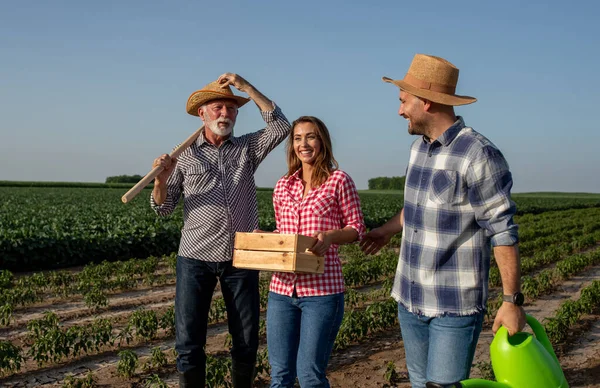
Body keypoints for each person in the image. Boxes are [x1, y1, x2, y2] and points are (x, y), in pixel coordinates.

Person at [359, 54, 526, 387]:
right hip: (409, 297)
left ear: (427, 102)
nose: (400, 110)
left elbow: (503, 233)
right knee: (420, 382)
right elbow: (417, 210)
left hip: (453, 305)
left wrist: (511, 301)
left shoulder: (479, 154)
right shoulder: (418, 149)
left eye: (403, 101)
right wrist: (386, 230)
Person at [151, 73, 291, 388]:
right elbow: (163, 207)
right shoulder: (183, 157)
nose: (224, 114)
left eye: (230, 108)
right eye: (217, 108)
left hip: (240, 256)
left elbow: (280, 126)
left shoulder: (246, 148)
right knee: (189, 340)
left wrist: (248, 88)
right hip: (195, 258)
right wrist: (161, 179)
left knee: (245, 336)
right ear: (202, 113)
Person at [266, 116, 366, 387]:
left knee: (310, 376)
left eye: (310, 136)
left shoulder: (338, 180)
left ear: (322, 141)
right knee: (280, 376)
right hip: (282, 291)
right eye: (298, 138)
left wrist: (331, 236)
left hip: (322, 293)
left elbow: (357, 228)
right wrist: (263, 240)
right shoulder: (283, 185)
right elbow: (283, 234)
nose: (304, 144)